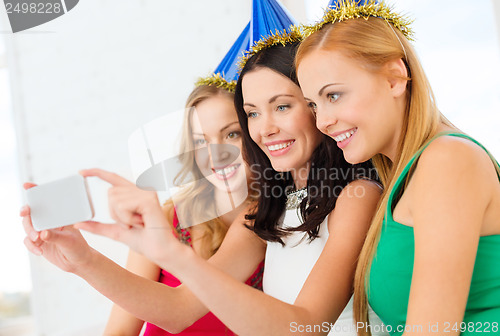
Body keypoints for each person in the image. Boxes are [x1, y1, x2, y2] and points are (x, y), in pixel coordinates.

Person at [22, 29, 388, 335]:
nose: (265, 128)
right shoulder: (268, 209)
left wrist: (172, 254)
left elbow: (307, 327)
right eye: (252, 114)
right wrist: (83, 260)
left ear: (315, 107)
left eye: (282, 106)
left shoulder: (357, 196)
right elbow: (180, 310)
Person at [295, 1, 500, 335]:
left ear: (394, 78)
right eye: (314, 105)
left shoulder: (448, 160)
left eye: (333, 96)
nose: (323, 122)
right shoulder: (405, 177)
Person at [104, 83, 264, 336]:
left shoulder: (278, 221)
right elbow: (122, 329)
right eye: (201, 142)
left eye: (232, 134)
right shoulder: (168, 217)